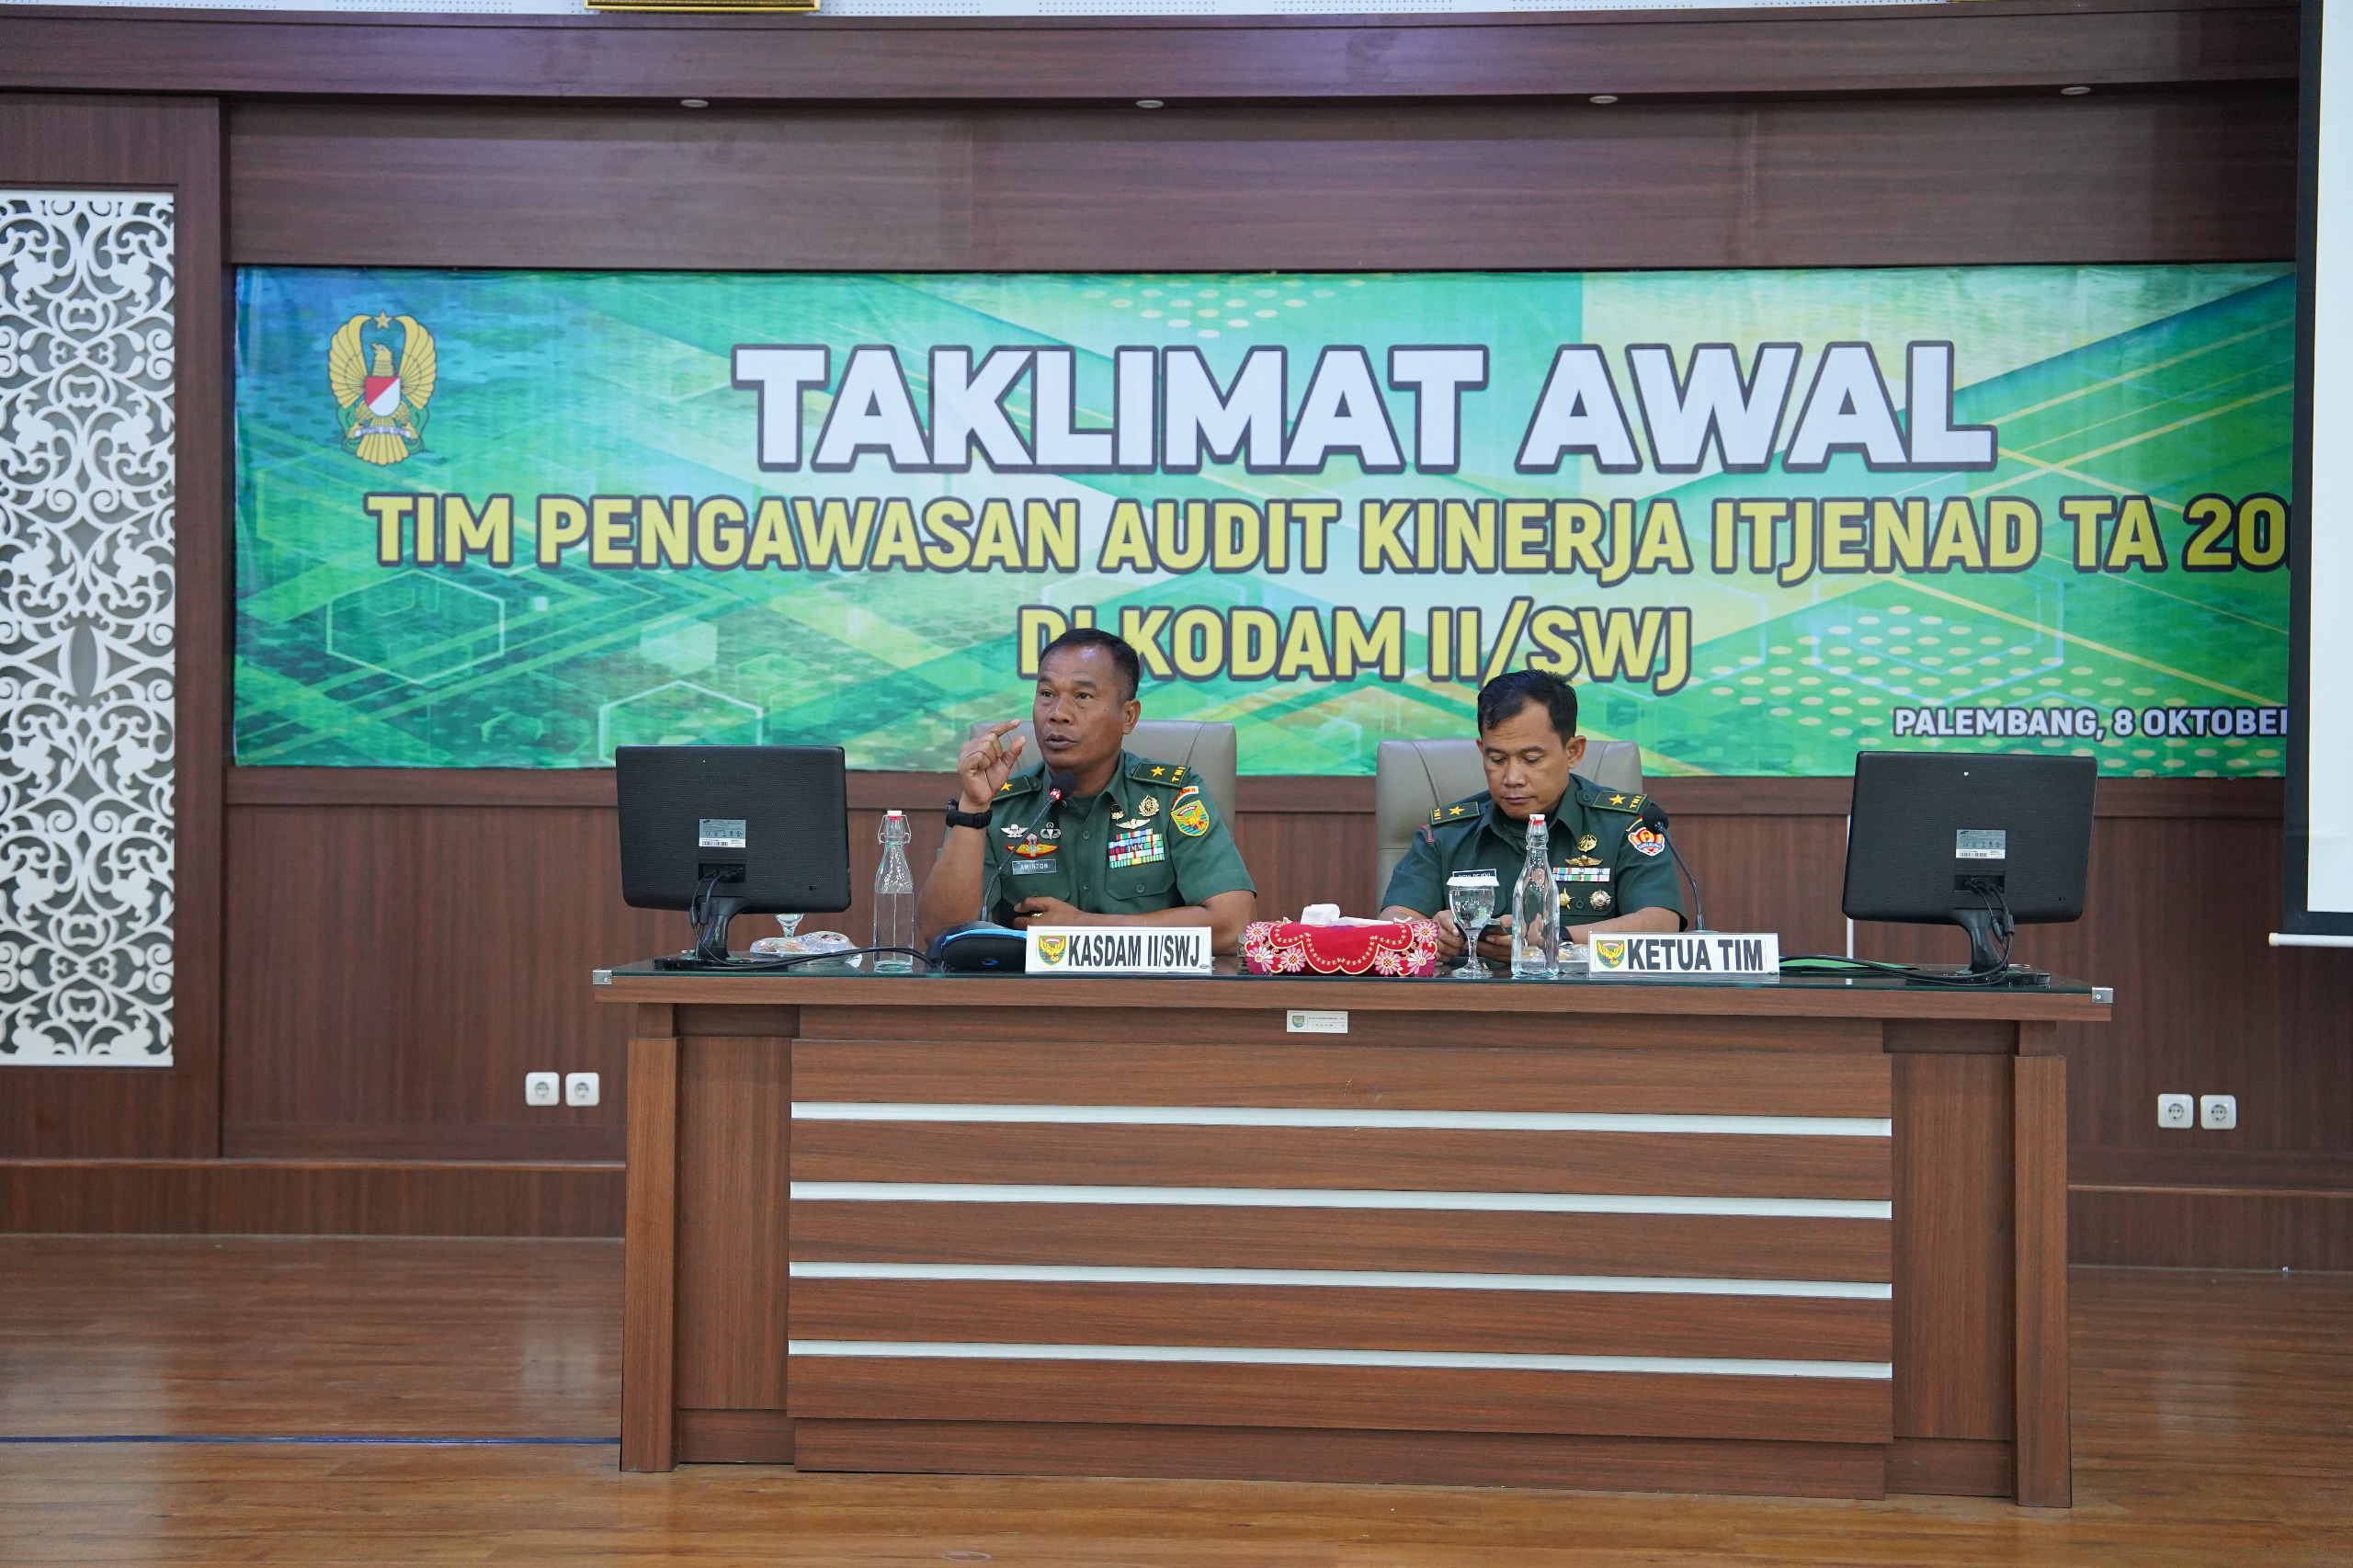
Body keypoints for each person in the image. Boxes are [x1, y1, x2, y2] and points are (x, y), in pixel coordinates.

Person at [917, 628, 1257, 953]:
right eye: (1047, 694)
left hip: (1150, 991)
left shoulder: (1172, 797)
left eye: (1082, 696)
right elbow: (941, 934)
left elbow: (1234, 925)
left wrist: (1084, 926)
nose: (1058, 714)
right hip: (1030, 993)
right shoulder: (999, 804)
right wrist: (973, 807)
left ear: (1128, 716)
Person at [1378, 669, 1685, 965]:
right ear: (1482, 751)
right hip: (1467, 996)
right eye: (1497, 759)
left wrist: (1555, 940)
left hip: (1587, 996)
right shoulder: (1448, 832)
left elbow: (1660, 923)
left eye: (1531, 759)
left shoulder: (1627, 825)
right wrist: (1430, 934)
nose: (1512, 778)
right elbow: (1394, 920)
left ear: (1573, 752)